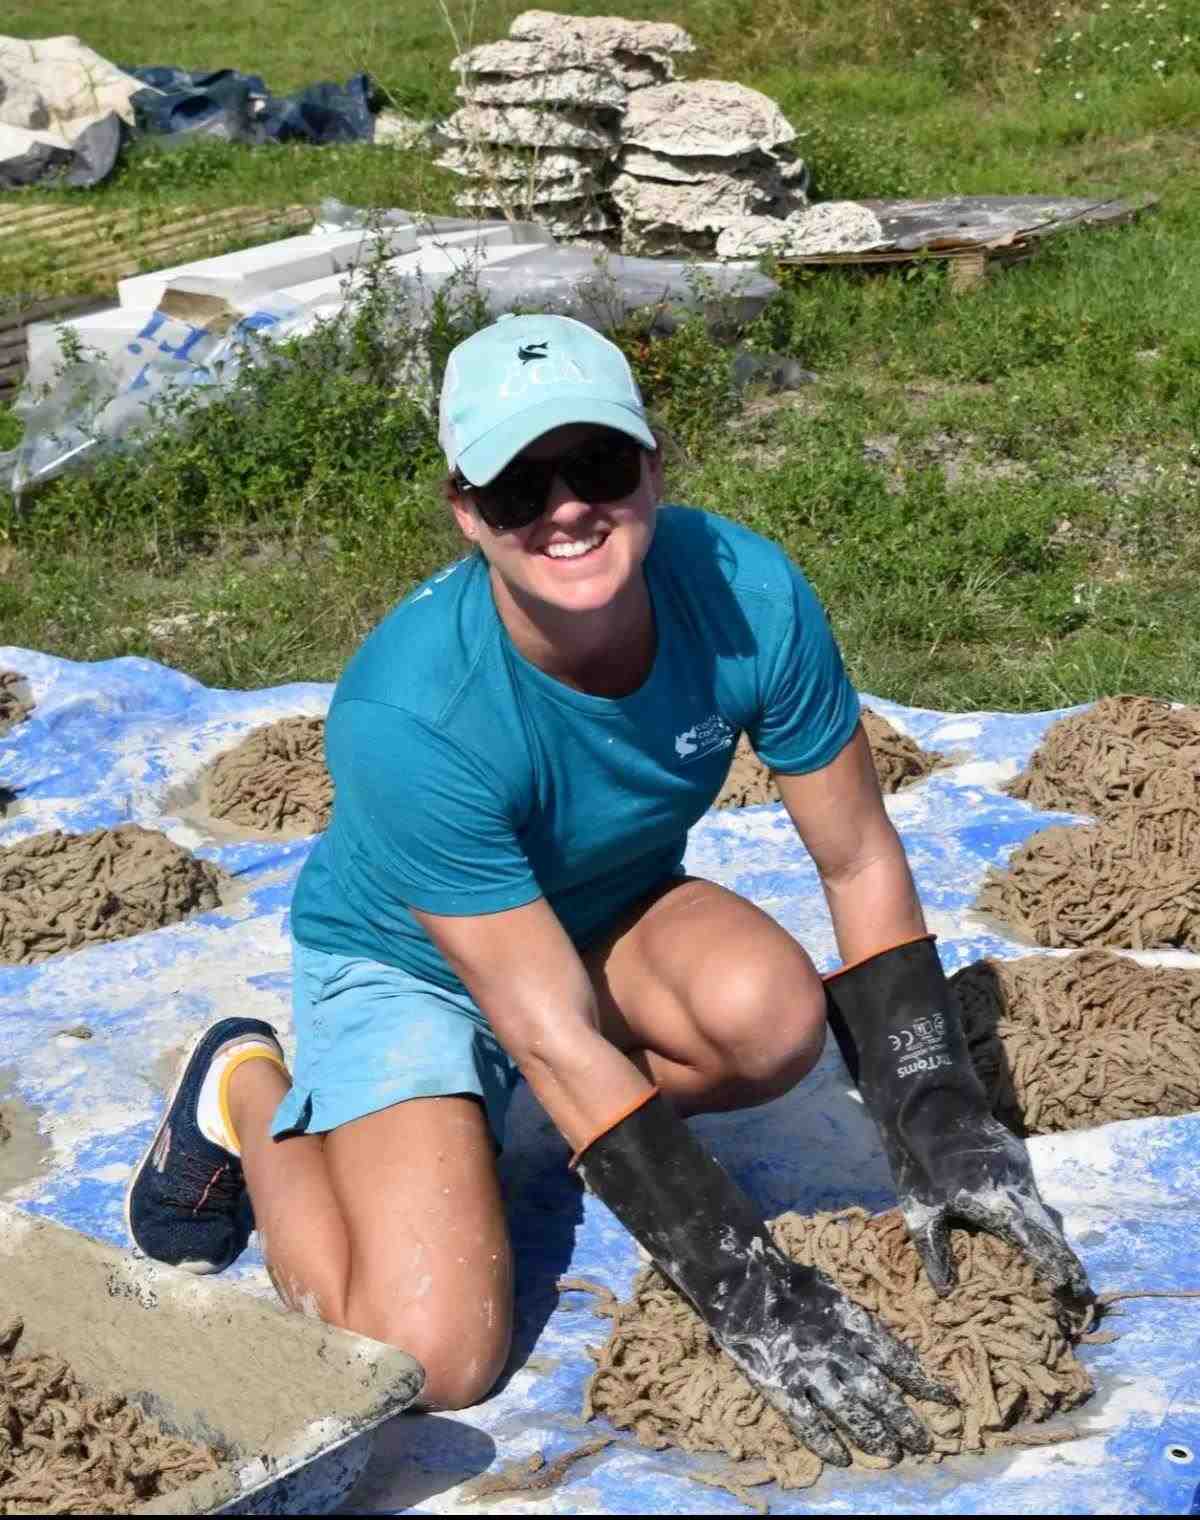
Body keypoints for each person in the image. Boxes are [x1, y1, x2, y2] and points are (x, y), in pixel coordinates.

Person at [127, 313, 1088, 1464]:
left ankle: (478, 1130)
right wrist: (744, 1280)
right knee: (428, 1351)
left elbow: (859, 859)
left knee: (772, 1017)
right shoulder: (411, 711)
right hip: (411, 966)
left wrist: (944, 1122)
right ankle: (247, 1088)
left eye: (597, 464)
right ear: (466, 511)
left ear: (654, 466)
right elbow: (546, 1027)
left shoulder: (745, 593)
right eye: (518, 487)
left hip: (603, 911)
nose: (567, 508)